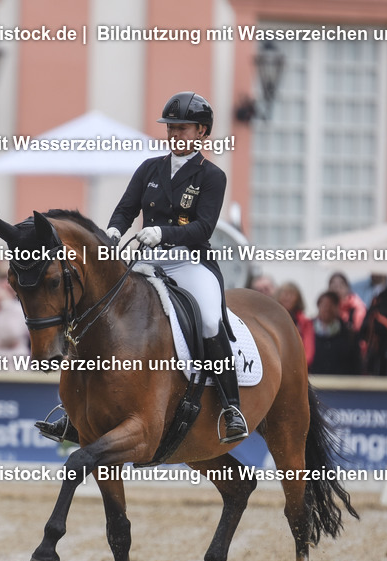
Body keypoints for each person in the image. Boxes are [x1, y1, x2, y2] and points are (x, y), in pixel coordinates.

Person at [38, 91, 248, 444]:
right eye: (171, 128)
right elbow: (125, 208)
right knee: (99, 308)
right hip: (147, 260)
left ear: (201, 131)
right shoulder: (150, 167)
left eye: (183, 129)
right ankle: (73, 411)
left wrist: (162, 231)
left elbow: (204, 228)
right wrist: (115, 230)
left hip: (190, 262)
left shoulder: (212, 176)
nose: (175, 134)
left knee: (211, 319)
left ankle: (231, 407)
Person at [310, 290, 360, 375]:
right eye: (324, 304)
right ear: (318, 306)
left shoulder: (348, 333)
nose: (327, 308)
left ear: (338, 308)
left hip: (341, 384)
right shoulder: (307, 331)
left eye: (331, 305)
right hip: (314, 383)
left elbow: (356, 363)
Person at [277, 281, 315, 367]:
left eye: (291, 294)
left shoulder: (305, 322)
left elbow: (309, 351)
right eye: (285, 294)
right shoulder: (270, 319)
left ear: (298, 299)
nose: (287, 297)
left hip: (298, 368)